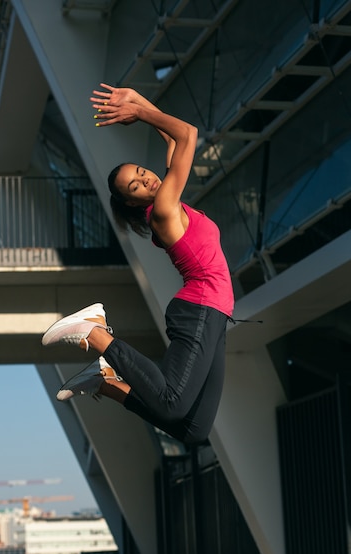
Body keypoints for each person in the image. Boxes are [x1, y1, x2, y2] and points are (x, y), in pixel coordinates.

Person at [42, 83, 234, 445]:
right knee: (172, 403)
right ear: (133, 203)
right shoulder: (162, 209)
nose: (146, 178)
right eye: (135, 185)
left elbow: (173, 140)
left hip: (216, 313)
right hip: (200, 308)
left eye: (142, 172)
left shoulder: (168, 200)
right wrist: (141, 113)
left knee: (193, 430)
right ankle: (94, 331)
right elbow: (188, 134)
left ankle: (107, 384)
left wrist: (135, 101)